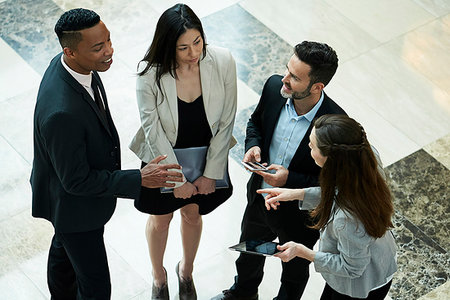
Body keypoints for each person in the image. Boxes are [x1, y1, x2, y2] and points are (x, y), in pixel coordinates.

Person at [30, 8, 183, 300]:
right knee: (97, 287)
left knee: (63, 254)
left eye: (109, 41)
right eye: (98, 47)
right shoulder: (62, 113)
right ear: (71, 51)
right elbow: (76, 182)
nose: (109, 51)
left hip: (66, 205)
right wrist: (138, 179)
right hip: (74, 210)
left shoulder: (71, 67)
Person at [213, 41, 346, 300]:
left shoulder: (336, 123)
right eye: (287, 70)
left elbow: (332, 182)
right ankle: (243, 292)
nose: (284, 79)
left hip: (300, 215)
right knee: (250, 250)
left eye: (294, 78)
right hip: (260, 197)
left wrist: (289, 180)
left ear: (317, 86)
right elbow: (255, 123)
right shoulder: (275, 87)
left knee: (294, 269)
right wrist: (254, 145)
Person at [129, 3, 237, 300]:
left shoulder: (223, 60)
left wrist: (210, 173)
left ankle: (186, 272)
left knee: (192, 214)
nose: (194, 53)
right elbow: (152, 131)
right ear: (168, 47)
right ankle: (159, 276)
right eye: (183, 48)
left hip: (206, 155)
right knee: (160, 219)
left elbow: (227, 120)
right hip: (163, 157)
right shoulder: (149, 73)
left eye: (198, 42)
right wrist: (176, 180)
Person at [258, 114, 397, 300]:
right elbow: (342, 193)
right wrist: (296, 193)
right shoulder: (365, 158)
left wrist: (302, 251)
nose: (308, 146)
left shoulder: (347, 220)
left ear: (331, 158)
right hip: (376, 256)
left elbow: (351, 268)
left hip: (358, 286)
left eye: (312, 145)